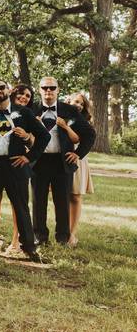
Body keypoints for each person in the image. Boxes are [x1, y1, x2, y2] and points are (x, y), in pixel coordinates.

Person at [0, 79, 50, 263]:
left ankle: (29, 248)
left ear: (8, 90)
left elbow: (44, 136)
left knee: (21, 208)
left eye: (1, 88)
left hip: (16, 165)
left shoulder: (24, 112)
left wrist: (29, 157)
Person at [31, 77, 95, 246]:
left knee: (62, 201)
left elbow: (89, 134)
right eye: (45, 87)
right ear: (40, 90)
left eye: (52, 87)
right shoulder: (31, 110)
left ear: (58, 90)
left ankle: (62, 238)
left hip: (61, 161)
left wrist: (78, 154)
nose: (48, 91)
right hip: (39, 161)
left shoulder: (69, 110)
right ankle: (39, 237)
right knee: (38, 201)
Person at [67, 92, 95, 246]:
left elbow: (88, 139)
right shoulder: (61, 116)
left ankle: (72, 234)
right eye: (75, 101)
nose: (78, 105)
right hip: (61, 158)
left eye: (81, 103)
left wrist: (78, 154)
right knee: (62, 196)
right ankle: (63, 231)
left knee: (75, 196)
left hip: (78, 157)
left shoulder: (83, 122)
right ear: (68, 101)